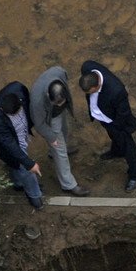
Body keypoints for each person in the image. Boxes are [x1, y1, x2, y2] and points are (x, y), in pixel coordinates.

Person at [78, 59, 136, 190]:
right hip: (104, 117)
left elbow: (123, 113)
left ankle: (135, 174)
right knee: (113, 136)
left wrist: (116, 126)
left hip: (116, 122)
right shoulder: (87, 67)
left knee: (128, 148)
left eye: (90, 92)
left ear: (96, 86)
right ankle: (116, 151)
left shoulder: (117, 91)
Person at [30, 66, 89, 196]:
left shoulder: (59, 73)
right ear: (48, 96)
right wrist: (52, 137)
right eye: (56, 102)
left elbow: (64, 72)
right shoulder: (37, 102)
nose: (60, 104)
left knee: (65, 129)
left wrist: (60, 107)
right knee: (59, 149)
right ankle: (68, 184)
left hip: (58, 114)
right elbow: (39, 124)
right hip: (49, 119)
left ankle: (54, 152)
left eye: (62, 101)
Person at [0, 82, 44, 210]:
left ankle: (18, 184)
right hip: (9, 145)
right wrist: (29, 163)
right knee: (24, 167)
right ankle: (34, 196)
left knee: (16, 165)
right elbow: (10, 145)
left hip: (21, 135)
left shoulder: (19, 89)